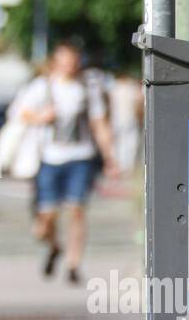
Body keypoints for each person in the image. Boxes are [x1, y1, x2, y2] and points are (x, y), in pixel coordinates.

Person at [14, 41, 119, 283]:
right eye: (65, 62)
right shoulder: (43, 86)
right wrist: (42, 117)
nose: (69, 67)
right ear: (56, 63)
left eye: (73, 62)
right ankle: (53, 246)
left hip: (81, 157)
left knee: (76, 210)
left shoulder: (87, 88)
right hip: (50, 158)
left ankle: (73, 264)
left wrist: (110, 156)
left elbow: (98, 123)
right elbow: (22, 112)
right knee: (45, 220)